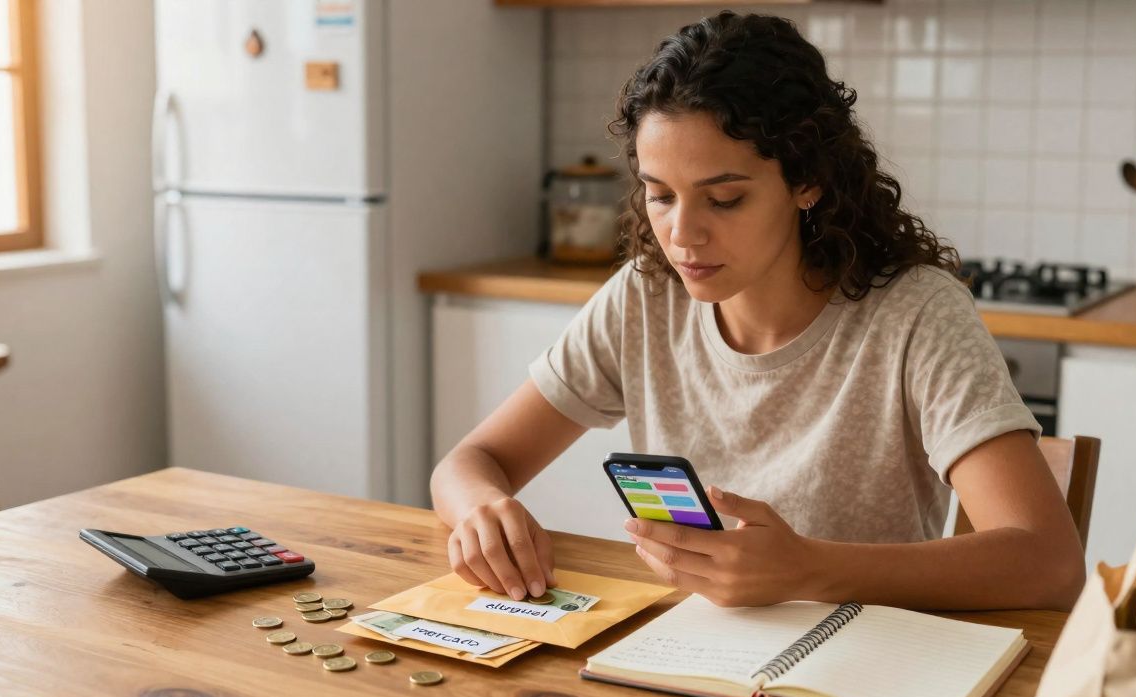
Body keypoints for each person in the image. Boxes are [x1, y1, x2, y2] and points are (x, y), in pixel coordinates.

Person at [430, 11, 1085, 612]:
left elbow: (1050, 562)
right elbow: (468, 463)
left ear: (807, 180)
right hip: (689, 658)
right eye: (660, 196)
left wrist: (808, 569)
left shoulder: (916, 316)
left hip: (861, 672)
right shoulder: (644, 298)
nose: (683, 234)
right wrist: (481, 508)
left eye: (725, 199)